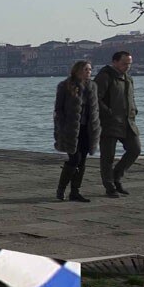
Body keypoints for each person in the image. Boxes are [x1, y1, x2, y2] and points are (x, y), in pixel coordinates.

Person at [94, 50, 141, 196]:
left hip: (128, 122)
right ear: (115, 62)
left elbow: (130, 97)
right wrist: (108, 112)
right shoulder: (104, 76)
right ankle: (110, 186)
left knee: (135, 149)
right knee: (108, 156)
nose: (127, 66)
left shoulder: (128, 78)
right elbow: (95, 98)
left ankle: (117, 176)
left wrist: (134, 110)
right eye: (124, 63)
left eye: (129, 64)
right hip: (109, 123)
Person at [53, 60, 101, 202]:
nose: (88, 72)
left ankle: (75, 191)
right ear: (77, 71)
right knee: (74, 159)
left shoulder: (92, 86)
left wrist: (96, 125)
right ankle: (61, 189)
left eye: (90, 70)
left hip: (87, 129)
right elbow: (58, 109)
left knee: (82, 161)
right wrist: (62, 126)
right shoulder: (65, 86)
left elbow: (95, 109)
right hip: (71, 130)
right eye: (86, 69)